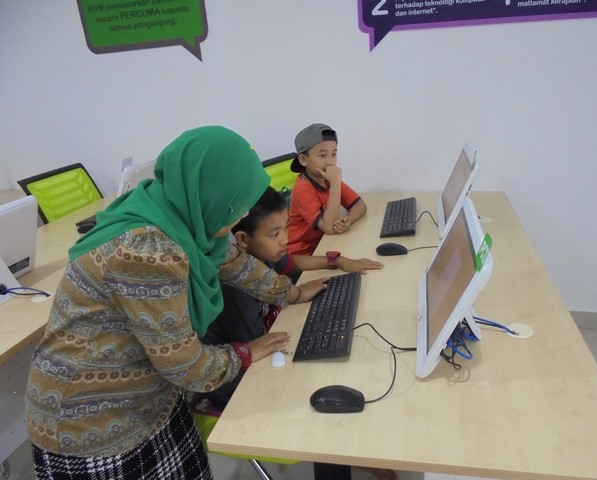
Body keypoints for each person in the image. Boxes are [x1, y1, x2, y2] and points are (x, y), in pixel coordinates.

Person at [24, 126, 290, 480]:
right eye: (237, 207)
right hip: (92, 422)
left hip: (150, 395)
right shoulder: (147, 250)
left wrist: (291, 292)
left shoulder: (177, 212)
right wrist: (245, 353)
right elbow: (185, 366)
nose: (242, 216)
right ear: (213, 196)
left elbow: (232, 262)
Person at [193, 186, 384, 412]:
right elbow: (260, 347)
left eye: (286, 228)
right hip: (232, 384)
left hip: (257, 351)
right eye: (275, 234)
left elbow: (292, 264)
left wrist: (337, 261)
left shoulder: (262, 254)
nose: (285, 240)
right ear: (243, 239)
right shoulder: (234, 290)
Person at [287, 123, 368, 255]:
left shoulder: (327, 178)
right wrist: (335, 182)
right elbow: (329, 228)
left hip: (324, 243)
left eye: (333, 154)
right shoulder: (302, 188)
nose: (330, 162)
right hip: (302, 254)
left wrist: (347, 221)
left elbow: (360, 205)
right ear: (303, 160)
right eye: (322, 155)